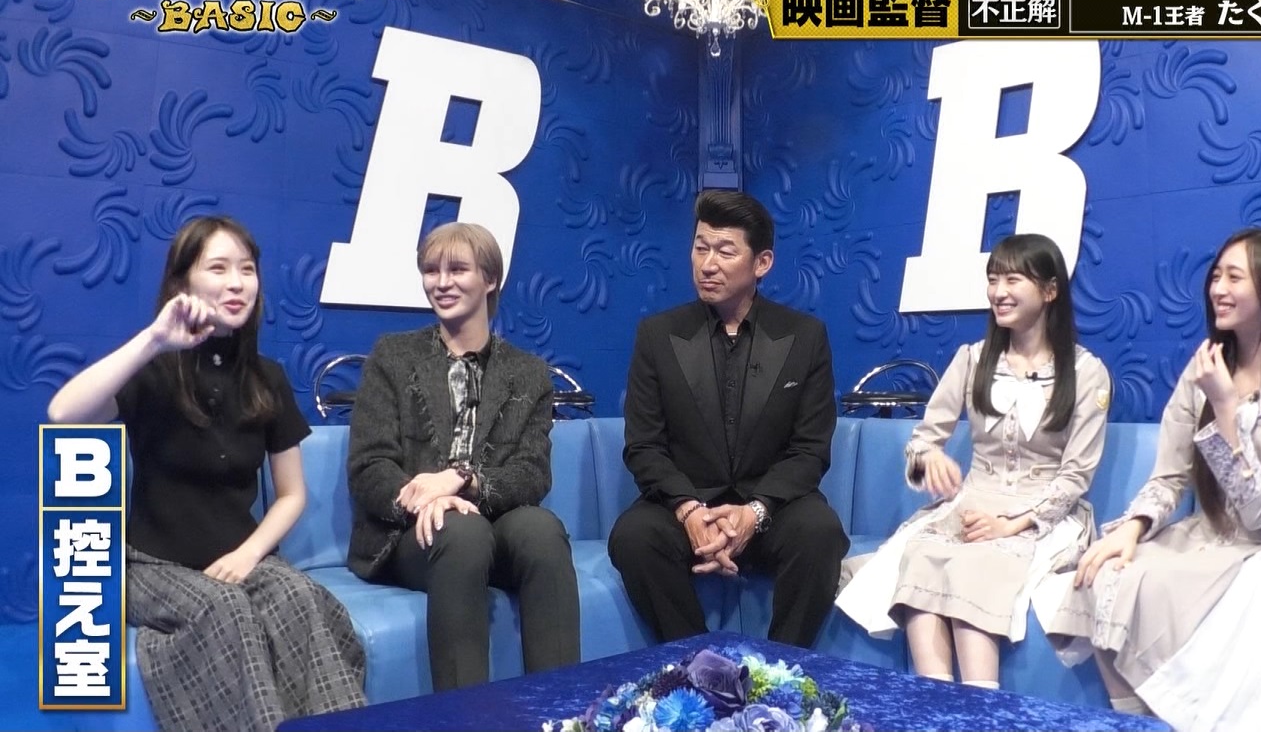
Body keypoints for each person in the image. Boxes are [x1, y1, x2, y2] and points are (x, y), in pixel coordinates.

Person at [46, 216, 366, 732]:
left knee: (299, 598)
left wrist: (248, 554)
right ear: (183, 282)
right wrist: (155, 339)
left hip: (239, 557)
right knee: (226, 610)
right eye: (218, 268)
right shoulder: (152, 370)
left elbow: (291, 494)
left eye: (247, 269)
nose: (236, 283)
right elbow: (63, 414)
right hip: (152, 566)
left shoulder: (268, 379)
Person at [1051, 227, 1261, 732]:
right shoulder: (1205, 367)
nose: (1218, 290)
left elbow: (1260, 509)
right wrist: (1134, 526)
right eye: (1216, 277)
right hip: (1207, 540)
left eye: (1235, 277)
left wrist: (1226, 405)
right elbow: (1169, 475)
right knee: (1103, 574)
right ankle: (1137, 722)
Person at [835, 233, 1111, 689]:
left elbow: (1076, 474)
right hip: (971, 505)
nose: (998, 292)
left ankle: (982, 704)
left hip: (1041, 516)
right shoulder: (973, 359)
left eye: (1013, 280)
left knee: (977, 564)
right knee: (922, 555)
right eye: (993, 279)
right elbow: (922, 443)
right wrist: (931, 460)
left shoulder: (1086, 372)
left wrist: (1011, 524)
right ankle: (936, 699)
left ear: (1049, 290)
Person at [608, 189, 849, 647]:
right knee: (634, 537)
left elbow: (810, 449)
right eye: (700, 248)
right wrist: (689, 509)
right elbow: (644, 444)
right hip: (687, 506)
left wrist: (754, 512)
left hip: (771, 509)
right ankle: (697, 660)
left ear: (762, 263)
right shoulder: (658, 335)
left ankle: (782, 667)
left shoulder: (804, 336)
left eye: (724, 251)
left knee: (821, 534)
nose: (708, 264)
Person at [346, 221, 579, 691]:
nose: (441, 282)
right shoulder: (393, 357)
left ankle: (561, 710)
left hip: (497, 522)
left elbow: (532, 473)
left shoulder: (529, 373)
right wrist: (426, 500)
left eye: (457, 269)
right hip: (413, 534)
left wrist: (463, 480)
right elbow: (370, 465)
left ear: (489, 279)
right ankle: (463, 717)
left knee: (542, 530)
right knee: (462, 532)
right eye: (431, 270)